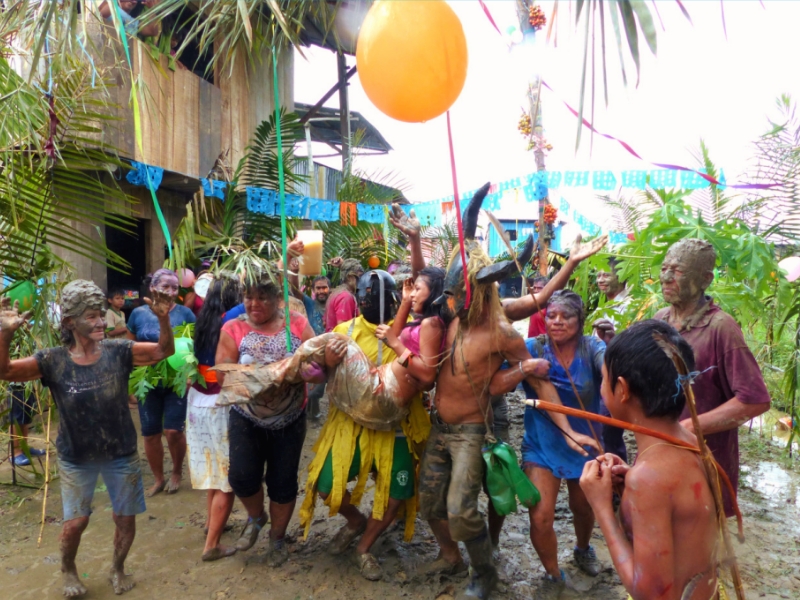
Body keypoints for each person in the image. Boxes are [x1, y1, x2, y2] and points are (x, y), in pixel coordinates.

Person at [418, 184, 602, 600]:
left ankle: (485, 572)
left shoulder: (501, 329)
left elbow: (542, 384)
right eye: (448, 295)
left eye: (457, 294)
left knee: (463, 512)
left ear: (479, 291)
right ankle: (457, 558)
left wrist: (571, 432)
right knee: (430, 504)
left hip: (471, 432)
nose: (450, 302)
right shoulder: (449, 316)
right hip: (438, 426)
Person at [0, 280, 175, 597]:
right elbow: (6, 372)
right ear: (69, 322)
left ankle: (118, 567)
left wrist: (164, 319)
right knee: (76, 523)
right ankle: (68, 569)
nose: (100, 322)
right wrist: (5, 334)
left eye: (101, 314)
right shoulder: (52, 360)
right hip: (76, 456)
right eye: (92, 316)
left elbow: (164, 351)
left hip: (120, 451)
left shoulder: (118, 352)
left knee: (125, 518)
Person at [299, 269, 434, 582]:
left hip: (395, 428)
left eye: (376, 296)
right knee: (325, 484)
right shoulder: (344, 330)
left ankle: (364, 546)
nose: (368, 300)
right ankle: (356, 521)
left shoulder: (411, 333)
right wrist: (326, 366)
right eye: (364, 295)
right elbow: (319, 374)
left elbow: (424, 375)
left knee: (398, 493)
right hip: (351, 426)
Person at [580, 320, 721, 600]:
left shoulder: (649, 478)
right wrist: (629, 480)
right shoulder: (689, 441)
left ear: (621, 389)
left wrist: (601, 508)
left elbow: (652, 595)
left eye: (603, 378)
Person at [490, 290, 606, 597]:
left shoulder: (593, 346)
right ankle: (554, 575)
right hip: (541, 445)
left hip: (584, 445)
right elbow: (495, 385)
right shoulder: (531, 348)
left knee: (582, 508)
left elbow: (609, 372)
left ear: (580, 320)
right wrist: (524, 369)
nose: (556, 322)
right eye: (551, 315)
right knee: (540, 517)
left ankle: (583, 548)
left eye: (565, 316)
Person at [655, 238, 770, 516]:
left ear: (705, 279)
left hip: (705, 458)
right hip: (659, 451)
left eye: (678, 271)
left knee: (699, 542)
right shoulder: (660, 320)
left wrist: (689, 427)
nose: (667, 277)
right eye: (664, 268)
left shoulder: (721, 328)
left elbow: (754, 401)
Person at [215, 271, 315, 567]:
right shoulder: (233, 328)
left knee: (283, 482)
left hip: (290, 416)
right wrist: (267, 375)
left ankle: (277, 539)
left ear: (277, 299)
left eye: (262, 297)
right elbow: (223, 376)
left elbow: (317, 361)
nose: (254, 303)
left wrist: (313, 371)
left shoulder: (296, 323)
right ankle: (257, 517)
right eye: (249, 297)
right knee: (241, 478)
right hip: (247, 415)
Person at [186, 273, 243, 561]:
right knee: (227, 477)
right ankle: (212, 544)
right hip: (220, 401)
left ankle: (211, 522)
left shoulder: (201, 318)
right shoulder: (231, 318)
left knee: (212, 467)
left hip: (197, 400)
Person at [127, 268, 196, 496]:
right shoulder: (138, 314)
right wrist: (131, 382)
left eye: (174, 287)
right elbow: (129, 349)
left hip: (177, 380)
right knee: (150, 433)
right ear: (153, 288)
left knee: (173, 431)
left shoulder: (185, 313)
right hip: (147, 380)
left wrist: (190, 374)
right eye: (165, 286)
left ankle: (177, 471)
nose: (170, 291)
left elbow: (195, 346)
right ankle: (158, 478)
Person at [592, 256, 631, 463]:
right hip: (604, 377)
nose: (600, 279)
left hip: (619, 378)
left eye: (606, 274)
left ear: (622, 275)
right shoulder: (605, 306)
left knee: (609, 431)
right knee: (603, 431)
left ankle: (615, 484)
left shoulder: (631, 306)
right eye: (598, 275)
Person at [7, 384, 45, 466]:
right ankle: (15, 452)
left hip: (27, 385)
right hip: (16, 386)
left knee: (25, 417)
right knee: (16, 419)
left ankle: (24, 448)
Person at [324, 258, 364, 331]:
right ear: (350, 277)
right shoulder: (346, 297)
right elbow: (344, 330)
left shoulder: (336, 293)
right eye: (359, 277)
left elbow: (325, 323)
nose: (362, 281)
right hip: (341, 340)